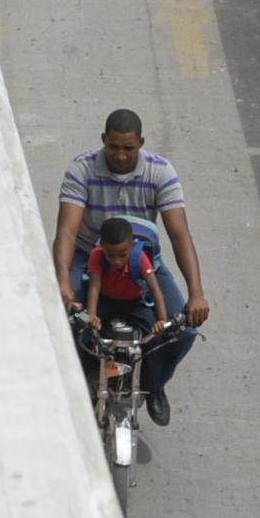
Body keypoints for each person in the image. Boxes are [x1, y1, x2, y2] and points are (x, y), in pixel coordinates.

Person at [52, 108, 211, 426]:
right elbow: (67, 231)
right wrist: (63, 284)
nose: (121, 155)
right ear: (103, 141)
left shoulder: (160, 172)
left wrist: (196, 293)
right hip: (90, 257)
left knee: (184, 331)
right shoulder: (81, 169)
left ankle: (154, 385)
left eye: (128, 148)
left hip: (143, 262)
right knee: (63, 323)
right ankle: (83, 377)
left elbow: (179, 234)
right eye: (113, 147)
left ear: (141, 143)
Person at [80, 214, 172, 351]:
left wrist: (162, 320)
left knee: (155, 338)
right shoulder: (97, 255)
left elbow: (155, 290)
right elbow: (94, 287)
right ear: (102, 246)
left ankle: (150, 373)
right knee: (84, 333)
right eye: (110, 255)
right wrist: (92, 315)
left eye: (123, 255)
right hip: (106, 301)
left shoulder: (139, 258)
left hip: (134, 304)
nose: (117, 261)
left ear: (132, 246)